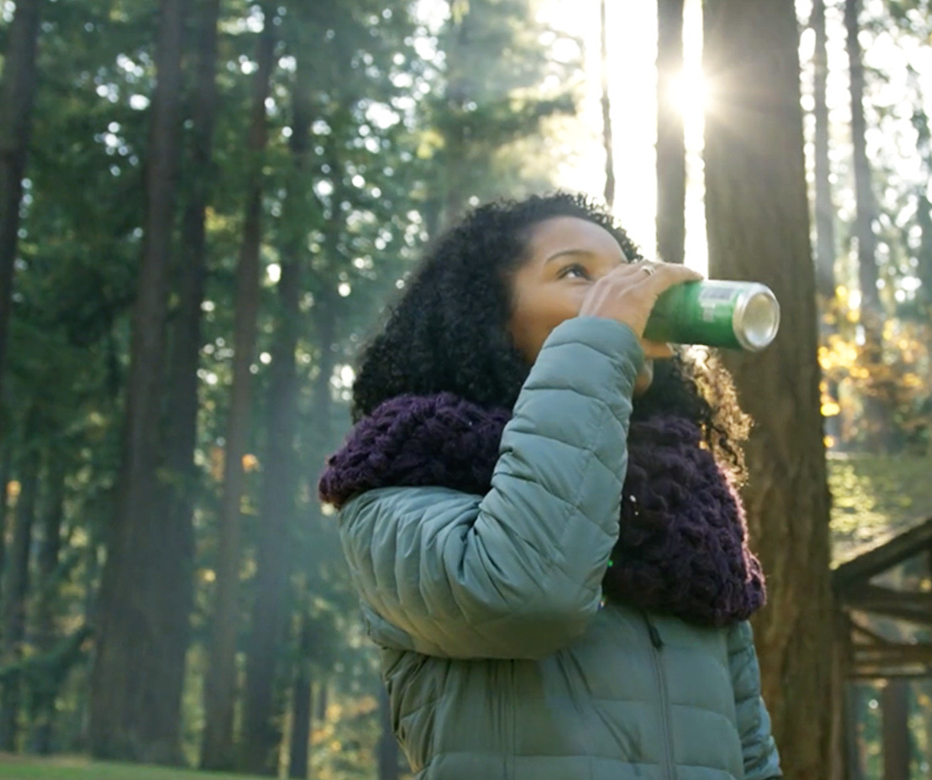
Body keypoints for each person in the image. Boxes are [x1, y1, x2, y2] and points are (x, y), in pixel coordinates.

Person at [319, 192, 781, 780]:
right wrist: (596, 348)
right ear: (486, 316)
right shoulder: (399, 480)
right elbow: (527, 595)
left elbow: (751, 751)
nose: (622, 298)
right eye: (575, 273)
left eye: (623, 279)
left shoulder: (688, 512)